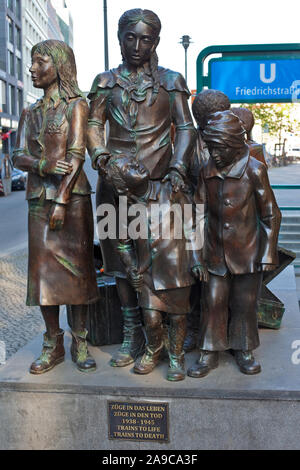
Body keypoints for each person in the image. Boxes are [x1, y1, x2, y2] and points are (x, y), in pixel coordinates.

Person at [87, 8, 196, 368]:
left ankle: (171, 335)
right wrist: (101, 156)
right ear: (119, 39)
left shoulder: (171, 80)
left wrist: (179, 166)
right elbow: (93, 124)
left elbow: (186, 127)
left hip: (161, 189)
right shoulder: (106, 81)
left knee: (165, 262)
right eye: (129, 38)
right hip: (114, 187)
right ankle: (132, 331)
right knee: (120, 264)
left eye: (145, 39)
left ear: (156, 42)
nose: (137, 46)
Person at [12, 40, 99, 374]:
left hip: (72, 200)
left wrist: (62, 200)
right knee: (43, 276)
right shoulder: (29, 112)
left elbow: (77, 156)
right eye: (32, 62)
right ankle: (53, 342)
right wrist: (44, 165)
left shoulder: (76, 105)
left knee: (77, 273)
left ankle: (80, 340)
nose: (33, 68)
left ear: (59, 66)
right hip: (38, 200)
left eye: (40, 62)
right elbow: (17, 156)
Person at [188, 110, 281, 378]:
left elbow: (271, 214)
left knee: (244, 302)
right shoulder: (207, 171)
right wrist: (195, 256)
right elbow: (195, 214)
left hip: (248, 252)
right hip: (215, 253)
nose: (214, 154)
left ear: (233, 145)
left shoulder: (254, 170)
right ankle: (209, 351)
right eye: (211, 148)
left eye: (219, 149)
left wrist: (267, 252)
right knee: (212, 301)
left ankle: (244, 348)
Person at [106, 155, 206, 381]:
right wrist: (131, 268)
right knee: (151, 319)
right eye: (129, 168)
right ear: (123, 185)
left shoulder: (171, 190)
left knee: (178, 318)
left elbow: (193, 226)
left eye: (134, 162)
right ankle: (154, 349)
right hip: (147, 274)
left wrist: (197, 260)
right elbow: (122, 244)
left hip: (176, 269)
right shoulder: (125, 207)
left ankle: (176, 356)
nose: (137, 165)